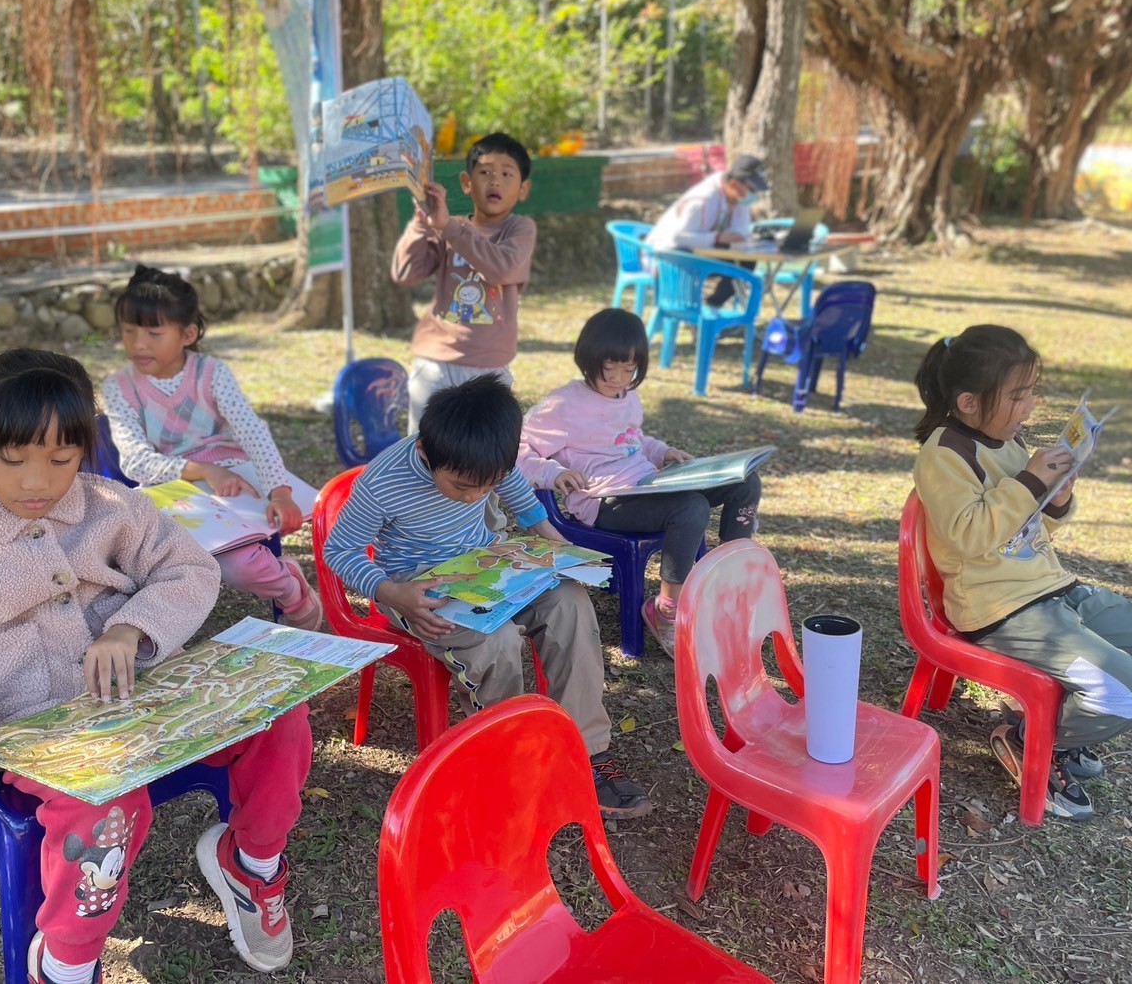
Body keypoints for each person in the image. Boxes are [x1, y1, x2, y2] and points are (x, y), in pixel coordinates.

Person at [0, 349, 313, 983]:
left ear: (84, 449)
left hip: (151, 700)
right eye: (13, 460)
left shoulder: (113, 507)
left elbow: (188, 569)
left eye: (60, 459)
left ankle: (253, 865)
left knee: (279, 715)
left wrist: (131, 628)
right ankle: (67, 961)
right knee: (107, 808)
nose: (36, 483)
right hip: (33, 732)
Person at [321, 373, 652, 819]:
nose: (475, 496)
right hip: (417, 585)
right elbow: (339, 551)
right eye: (462, 486)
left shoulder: (488, 458)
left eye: (486, 485)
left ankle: (584, 751)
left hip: (487, 560)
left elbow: (518, 493)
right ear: (426, 452)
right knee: (494, 640)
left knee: (570, 602)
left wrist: (555, 547)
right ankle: (507, 756)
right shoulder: (383, 482)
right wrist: (393, 593)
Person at [911, 325, 1132, 821]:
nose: (1029, 406)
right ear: (968, 402)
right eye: (1018, 396)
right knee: (1131, 695)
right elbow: (968, 535)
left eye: (1032, 392)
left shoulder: (1007, 441)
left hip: (1056, 591)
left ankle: (1063, 725)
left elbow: (1027, 525)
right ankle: (1031, 738)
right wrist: (1030, 481)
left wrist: (1056, 497)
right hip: (1002, 610)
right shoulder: (944, 455)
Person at [518, 308, 761, 658]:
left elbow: (633, 440)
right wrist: (552, 473)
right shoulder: (563, 405)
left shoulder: (628, 397)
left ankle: (729, 579)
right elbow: (518, 449)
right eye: (610, 368)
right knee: (691, 508)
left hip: (649, 484)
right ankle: (666, 611)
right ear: (589, 358)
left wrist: (663, 452)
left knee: (745, 481)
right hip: (606, 501)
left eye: (629, 369)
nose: (619, 379)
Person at [101, 265, 320, 630]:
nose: (138, 343)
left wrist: (280, 492)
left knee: (239, 566)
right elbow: (136, 461)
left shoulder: (212, 373)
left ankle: (291, 590)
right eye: (129, 330)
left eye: (154, 333)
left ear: (187, 334)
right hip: (171, 490)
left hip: (235, 481)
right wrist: (203, 470)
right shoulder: (119, 387)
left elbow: (253, 433)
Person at [390, 132, 535, 434]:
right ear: (467, 183)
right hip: (435, 361)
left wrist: (448, 228)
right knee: (422, 446)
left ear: (523, 189)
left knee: (485, 450)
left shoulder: (520, 229)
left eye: (506, 174)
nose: (495, 182)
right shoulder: (447, 225)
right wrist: (421, 222)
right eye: (485, 173)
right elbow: (405, 272)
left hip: (489, 365)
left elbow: (502, 268)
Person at [648, 153, 768, 308]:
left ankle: (713, 306)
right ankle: (685, 311)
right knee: (686, 256)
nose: (754, 195)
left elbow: (741, 232)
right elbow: (677, 239)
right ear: (733, 184)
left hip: (700, 253)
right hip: (665, 257)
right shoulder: (703, 199)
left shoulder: (738, 198)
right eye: (752, 189)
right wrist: (718, 238)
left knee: (746, 261)